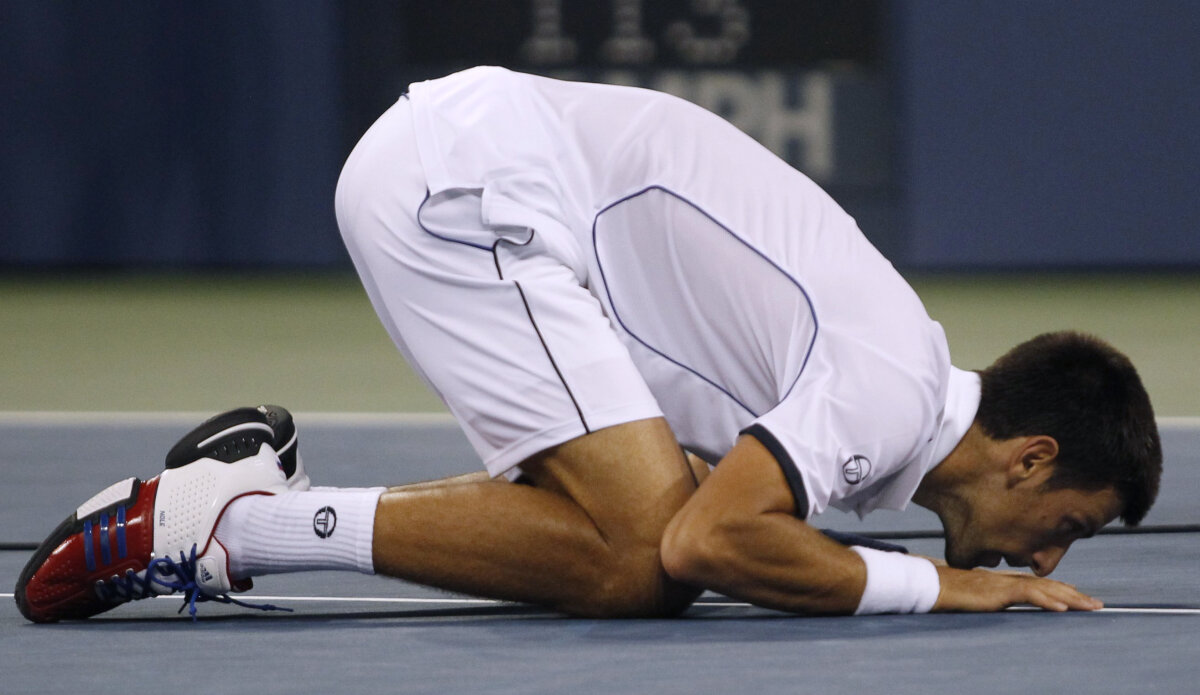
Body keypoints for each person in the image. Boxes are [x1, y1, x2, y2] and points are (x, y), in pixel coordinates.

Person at [15, 67, 1162, 623]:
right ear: (1032, 456)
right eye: (1071, 522)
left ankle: (245, 503)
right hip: (468, 190)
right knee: (645, 560)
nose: (1046, 559)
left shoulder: (886, 381)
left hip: (472, 178)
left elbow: (718, 508)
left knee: (650, 528)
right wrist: (945, 585)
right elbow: (708, 542)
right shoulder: (889, 385)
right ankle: (230, 523)